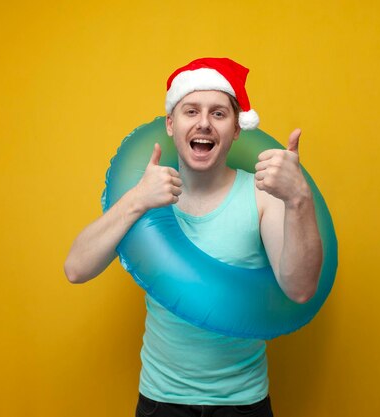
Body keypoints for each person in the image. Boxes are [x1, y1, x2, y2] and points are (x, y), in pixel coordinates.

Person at [64, 57, 323, 417]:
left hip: (242, 403)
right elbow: (76, 269)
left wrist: (299, 198)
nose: (204, 123)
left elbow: (300, 289)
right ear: (171, 124)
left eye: (219, 114)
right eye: (191, 111)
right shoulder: (148, 192)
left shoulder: (262, 196)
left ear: (236, 129)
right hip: (161, 401)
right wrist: (137, 200)